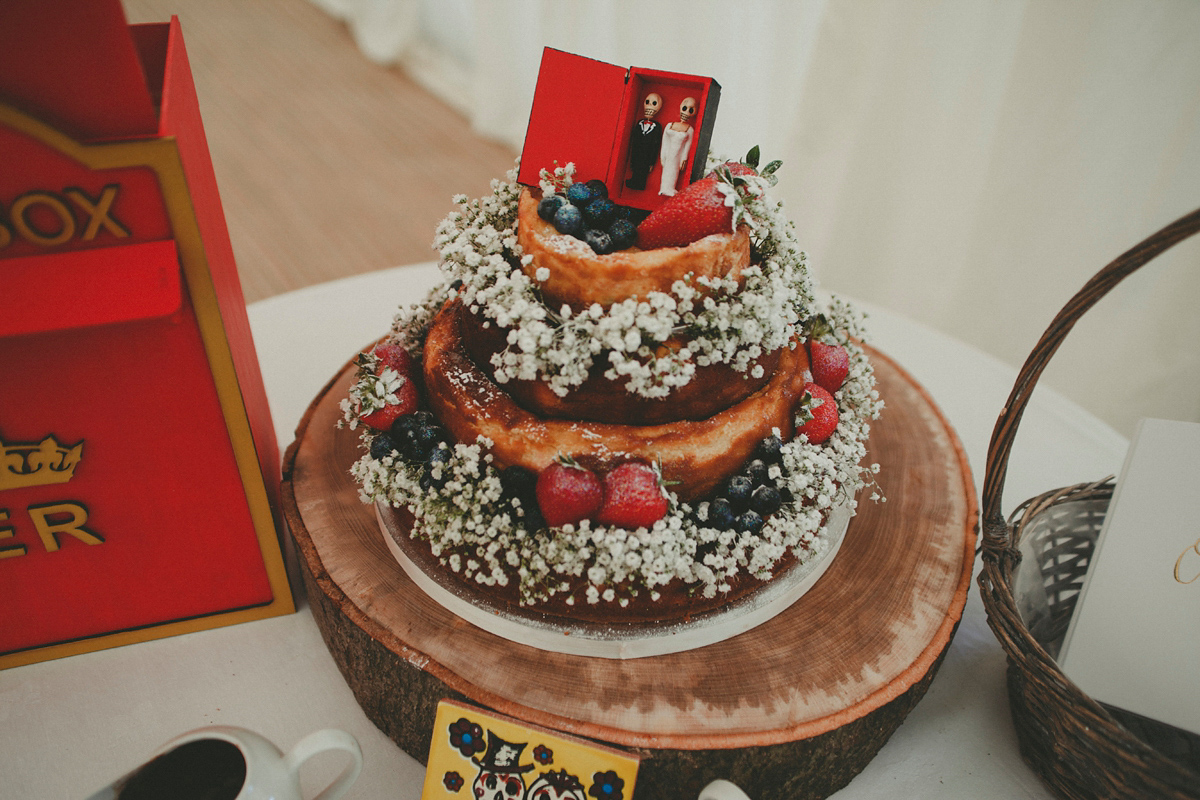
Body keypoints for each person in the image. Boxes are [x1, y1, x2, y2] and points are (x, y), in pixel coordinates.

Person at [659, 97, 696, 196]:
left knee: (674, 171)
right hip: (668, 152)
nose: (687, 112)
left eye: (691, 110)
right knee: (666, 170)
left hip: (678, 156)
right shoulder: (670, 125)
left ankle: (670, 188)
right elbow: (665, 141)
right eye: (685, 108)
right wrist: (663, 155)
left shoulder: (689, 129)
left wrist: (684, 159)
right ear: (680, 107)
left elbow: (688, 146)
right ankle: (663, 188)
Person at [625, 92, 663, 191]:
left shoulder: (657, 127)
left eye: (654, 103)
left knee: (643, 171)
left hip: (647, 155)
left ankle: (640, 184)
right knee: (636, 168)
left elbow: (656, 146)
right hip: (637, 152)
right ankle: (634, 181)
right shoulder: (639, 123)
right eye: (647, 102)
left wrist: (652, 163)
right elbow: (634, 140)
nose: (650, 106)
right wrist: (632, 160)